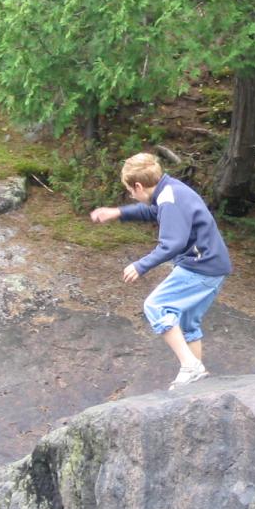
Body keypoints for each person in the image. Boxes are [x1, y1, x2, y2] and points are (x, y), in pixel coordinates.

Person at [89, 152, 232, 389]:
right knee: (187, 324)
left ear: (138, 186)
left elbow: (172, 243)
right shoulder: (171, 189)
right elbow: (153, 211)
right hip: (212, 266)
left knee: (156, 306)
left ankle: (190, 367)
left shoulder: (170, 199)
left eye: (130, 190)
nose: (130, 195)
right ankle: (196, 380)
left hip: (200, 267)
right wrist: (119, 212)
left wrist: (140, 265)